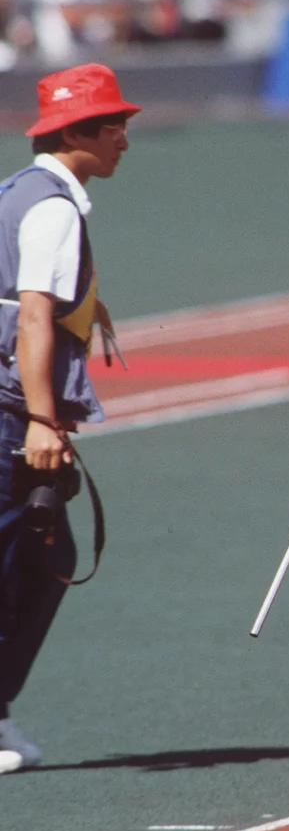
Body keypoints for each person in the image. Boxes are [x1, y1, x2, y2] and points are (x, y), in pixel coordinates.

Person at [0, 62, 137, 773]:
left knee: (44, 556)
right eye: (113, 127)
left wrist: (88, 306)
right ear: (77, 133)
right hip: (11, 415)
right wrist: (43, 421)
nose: (124, 139)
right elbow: (29, 314)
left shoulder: (22, 193)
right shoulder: (53, 206)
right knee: (32, 560)